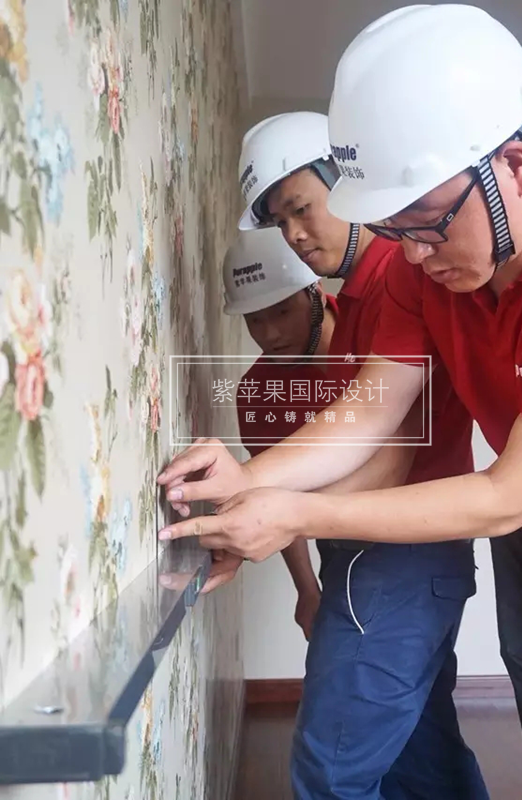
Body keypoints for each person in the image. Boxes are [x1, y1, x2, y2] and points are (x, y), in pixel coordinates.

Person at [158, 5, 522, 798]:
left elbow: (503, 494)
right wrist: (246, 481)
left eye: (429, 226)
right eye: (397, 233)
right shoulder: (419, 269)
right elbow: (370, 410)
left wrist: (294, 513)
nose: (416, 256)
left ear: (514, 167)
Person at [164, 111, 488, 799]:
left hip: (397, 559)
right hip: (373, 556)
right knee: (424, 758)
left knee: (331, 772)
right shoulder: (361, 300)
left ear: (347, 181)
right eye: (279, 222)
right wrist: (253, 495)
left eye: (301, 209)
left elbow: (388, 455)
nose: (294, 234)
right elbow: (358, 429)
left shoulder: (400, 282)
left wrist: (270, 505)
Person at [223, 226, 338, 639]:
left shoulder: (378, 337)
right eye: (255, 320)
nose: (270, 333)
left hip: (426, 526)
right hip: (340, 544)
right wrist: (307, 590)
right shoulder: (259, 394)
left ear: (315, 292)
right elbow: (275, 495)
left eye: (283, 312)